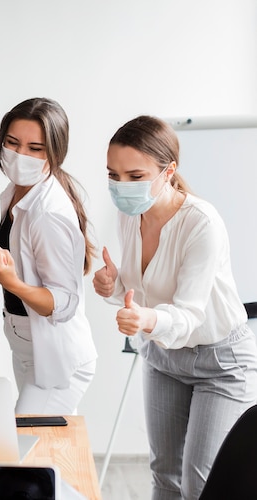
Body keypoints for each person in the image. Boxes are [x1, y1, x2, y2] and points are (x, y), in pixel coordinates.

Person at [93, 115, 257, 500]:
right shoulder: (129, 213)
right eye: (113, 175)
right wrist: (113, 284)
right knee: (163, 475)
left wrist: (144, 319)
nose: (121, 186)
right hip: (164, 356)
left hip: (220, 362)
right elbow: (141, 290)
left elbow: (188, 315)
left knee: (200, 485)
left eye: (134, 175)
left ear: (168, 171)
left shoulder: (202, 223)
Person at [0, 98, 97, 415]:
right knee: (37, 450)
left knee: (25, 449)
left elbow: (63, 303)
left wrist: (11, 282)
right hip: (28, 346)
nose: (20, 156)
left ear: (55, 154)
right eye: (12, 143)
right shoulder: (18, 191)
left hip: (57, 358)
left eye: (35, 148)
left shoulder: (47, 213)